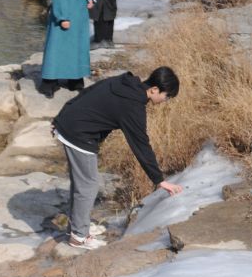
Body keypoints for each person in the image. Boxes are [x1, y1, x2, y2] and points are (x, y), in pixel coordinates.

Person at [51, 67, 185, 249]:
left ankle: (77, 226)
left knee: (82, 183)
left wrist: (60, 116)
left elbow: (88, 92)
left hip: (71, 124)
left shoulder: (125, 82)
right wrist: (159, 180)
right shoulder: (133, 106)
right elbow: (140, 144)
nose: (166, 101)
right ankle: (78, 236)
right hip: (78, 134)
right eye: (166, 96)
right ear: (154, 89)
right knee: (88, 185)